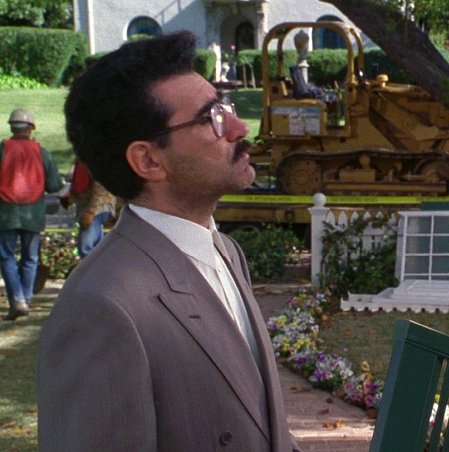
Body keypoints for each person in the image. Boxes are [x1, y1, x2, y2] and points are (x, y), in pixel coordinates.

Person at [37, 32, 299, 451]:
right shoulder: (101, 307)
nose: (239, 127)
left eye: (226, 108)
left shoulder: (225, 251)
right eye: (212, 118)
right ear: (148, 160)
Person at [0, 109, 62, 321]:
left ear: (11, 127)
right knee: (30, 258)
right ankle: (25, 300)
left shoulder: (2, 150)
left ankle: (17, 300)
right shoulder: (42, 153)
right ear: (31, 128)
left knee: (6, 257)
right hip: (33, 213)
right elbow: (54, 185)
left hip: (5, 213)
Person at [59, 159, 118, 258]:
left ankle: (93, 267)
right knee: (96, 248)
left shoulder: (94, 159)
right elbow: (81, 183)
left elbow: (100, 188)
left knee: (86, 249)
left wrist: (90, 212)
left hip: (96, 208)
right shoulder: (84, 158)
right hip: (93, 206)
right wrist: (72, 198)